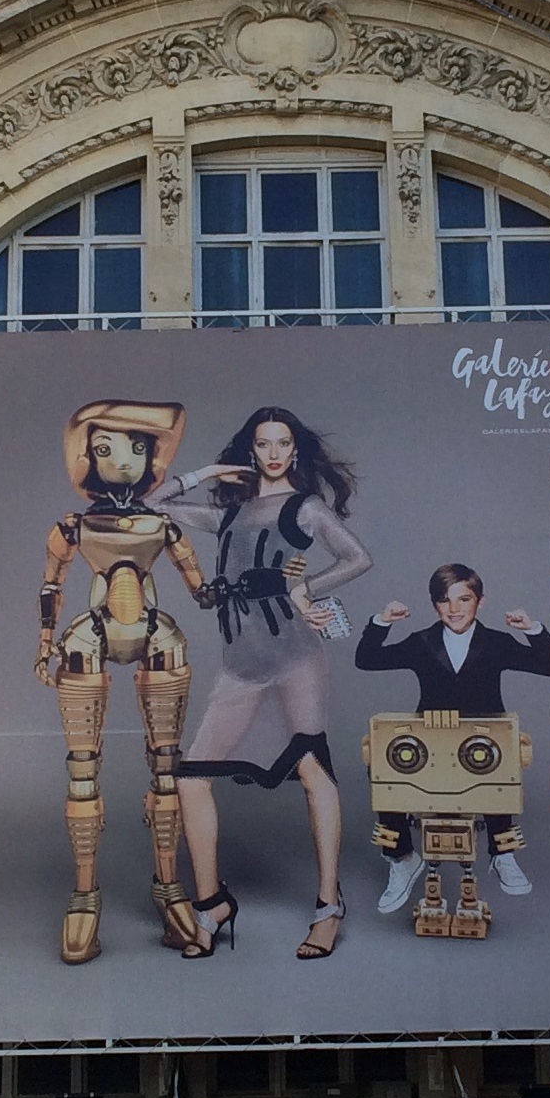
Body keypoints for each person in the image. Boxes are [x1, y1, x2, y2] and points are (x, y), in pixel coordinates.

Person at [146, 407, 370, 959]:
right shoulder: (230, 513)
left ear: (295, 451)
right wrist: (208, 474)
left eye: (283, 443)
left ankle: (328, 905)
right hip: (240, 664)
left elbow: (357, 557)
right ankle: (212, 903)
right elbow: (153, 504)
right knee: (191, 778)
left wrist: (305, 590)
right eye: (263, 444)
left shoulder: (306, 508)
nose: (273, 453)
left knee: (314, 771)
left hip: (294, 654)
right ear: (251, 451)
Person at [34, 401, 215, 966]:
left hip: (157, 633)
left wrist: (230, 591)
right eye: (107, 447)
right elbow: (52, 585)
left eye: (136, 447)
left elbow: (197, 583)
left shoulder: (162, 524)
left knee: (168, 767)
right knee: (82, 772)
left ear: (151, 458)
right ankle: (85, 895)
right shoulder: (75, 526)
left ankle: (169, 889)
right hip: (90, 632)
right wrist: (45, 640)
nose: (123, 459)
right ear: (87, 456)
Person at [355, 564, 550, 914]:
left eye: (463, 599)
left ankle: (503, 855)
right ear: (435, 605)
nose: (454, 609)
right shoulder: (421, 642)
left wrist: (533, 629)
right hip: (429, 744)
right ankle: (402, 858)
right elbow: (367, 659)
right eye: (444, 600)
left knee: (501, 771)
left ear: (480, 602)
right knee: (386, 770)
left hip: (484, 745)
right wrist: (382, 621)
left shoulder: (497, 642)